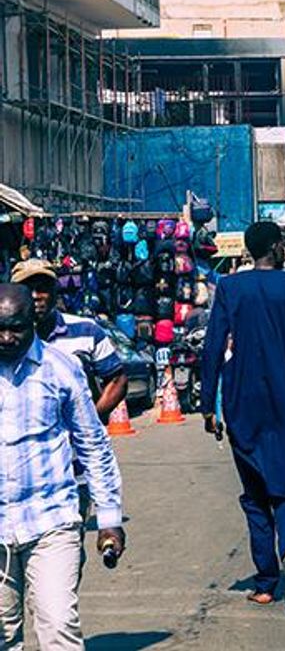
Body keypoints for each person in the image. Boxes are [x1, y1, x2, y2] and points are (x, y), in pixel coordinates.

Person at [200, 222, 285, 609]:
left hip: (242, 402)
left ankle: (265, 583)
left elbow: (213, 347)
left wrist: (207, 406)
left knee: (256, 494)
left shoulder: (230, 288)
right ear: (276, 248)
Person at [0, 284, 126, 649]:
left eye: (17, 328)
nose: (7, 338)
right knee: (4, 633)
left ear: (33, 322)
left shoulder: (60, 370)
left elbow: (93, 445)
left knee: (57, 626)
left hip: (50, 521)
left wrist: (109, 519)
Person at [12, 259, 128, 574]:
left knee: (62, 565)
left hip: (71, 472)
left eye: (43, 287)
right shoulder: (5, 339)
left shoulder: (85, 331)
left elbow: (116, 379)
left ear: (55, 291)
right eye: (28, 288)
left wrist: (85, 420)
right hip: (14, 472)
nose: (37, 296)